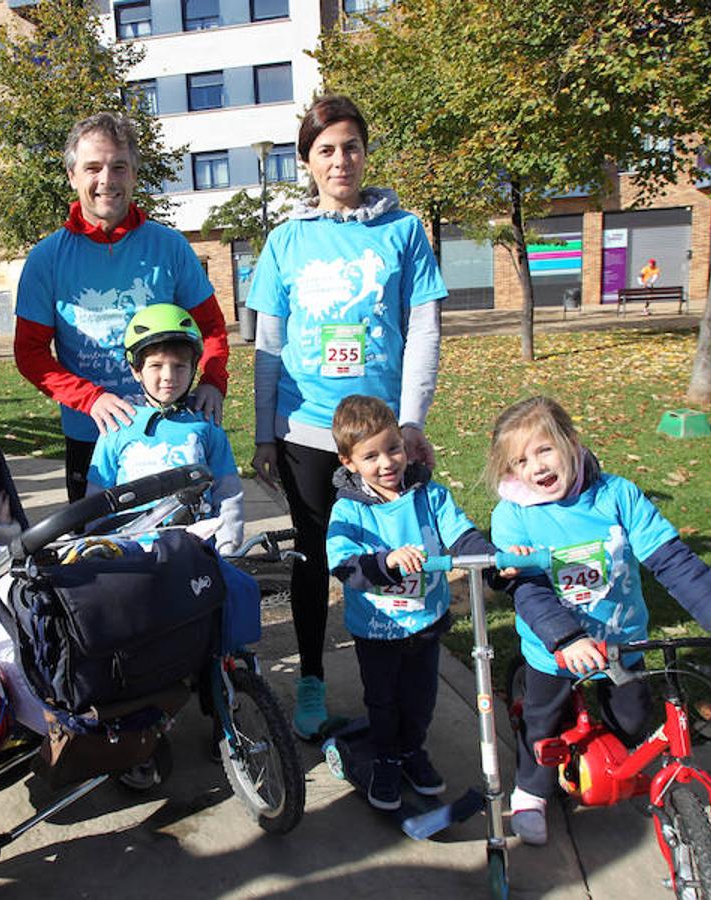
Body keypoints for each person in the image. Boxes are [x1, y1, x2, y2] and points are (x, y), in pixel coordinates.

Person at [485, 395, 711, 846]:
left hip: (623, 638)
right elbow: (528, 589)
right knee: (543, 722)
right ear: (509, 470)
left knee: (631, 715)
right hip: (556, 646)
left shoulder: (617, 495)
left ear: (571, 442)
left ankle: (611, 766)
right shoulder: (513, 516)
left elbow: (671, 560)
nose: (536, 467)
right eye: (520, 460)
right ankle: (532, 792)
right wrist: (566, 639)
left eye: (544, 450)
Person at [247, 94, 448, 739]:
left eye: (352, 147)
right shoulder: (285, 240)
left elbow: (423, 330)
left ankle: (386, 679)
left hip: (381, 437)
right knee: (312, 557)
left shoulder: (404, 231)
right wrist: (262, 432)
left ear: (366, 153)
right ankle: (310, 677)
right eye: (326, 150)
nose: (341, 160)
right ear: (306, 161)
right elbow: (269, 345)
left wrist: (412, 421)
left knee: (392, 553)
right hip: (306, 429)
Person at [326, 395, 537, 809]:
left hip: (425, 622)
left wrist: (496, 561)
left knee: (420, 698)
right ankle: (385, 756)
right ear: (349, 463)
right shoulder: (349, 511)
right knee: (383, 700)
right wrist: (385, 561)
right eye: (371, 456)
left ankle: (411, 751)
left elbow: (462, 535)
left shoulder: (429, 496)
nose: (387, 463)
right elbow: (344, 564)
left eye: (393, 449)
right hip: (378, 630)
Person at [14, 111, 230, 502]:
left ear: (133, 175)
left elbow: (212, 328)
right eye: (93, 167)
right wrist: (89, 397)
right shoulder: (46, 258)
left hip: (169, 433)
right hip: (91, 436)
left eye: (119, 167)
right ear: (72, 176)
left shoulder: (170, 247)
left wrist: (213, 381)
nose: (106, 180)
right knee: (94, 552)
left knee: (178, 549)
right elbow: (29, 353)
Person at [86, 304, 244, 552]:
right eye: (156, 365)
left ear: (194, 368)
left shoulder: (205, 423)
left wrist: (227, 547)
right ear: (136, 370)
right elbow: (97, 498)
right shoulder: (118, 424)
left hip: (196, 551)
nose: (169, 375)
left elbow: (227, 492)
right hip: (132, 554)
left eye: (180, 366)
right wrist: (99, 547)